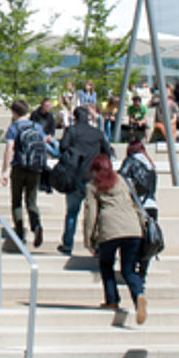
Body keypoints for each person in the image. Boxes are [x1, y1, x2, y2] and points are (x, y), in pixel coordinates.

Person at [83, 153, 149, 322]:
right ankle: (139, 295)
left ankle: (112, 300)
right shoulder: (123, 180)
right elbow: (135, 204)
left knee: (106, 265)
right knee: (128, 270)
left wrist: (89, 239)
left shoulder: (92, 186)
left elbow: (91, 213)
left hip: (109, 231)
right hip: (133, 229)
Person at [56, 106, 112, 255]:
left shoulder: (72, 131)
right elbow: (107, 152)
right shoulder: (97, 133)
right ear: (89, 117)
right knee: (95, 214)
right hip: (93, 178)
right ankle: (97, 245)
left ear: (74, 117)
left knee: (72, 213)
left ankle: (68, 244)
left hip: (75, 176)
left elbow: (62, 147)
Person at [0, 99, 44, 248]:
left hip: (19, 167)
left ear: (14, 112)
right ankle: (36, 225)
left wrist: (5, 170)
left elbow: (9, 149)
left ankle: (20, 233)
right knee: (32, 201)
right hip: (35, 168)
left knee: (17, 201)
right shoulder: (37, 127)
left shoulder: (14, 128)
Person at [119, 139, 160, 281]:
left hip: (137, 206)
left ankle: (131, 272)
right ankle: (142, 273)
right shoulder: (151, 165)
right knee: (149, 240)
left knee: (134, 239)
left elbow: (121, 178)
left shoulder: (130, 161)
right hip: (152, 206)